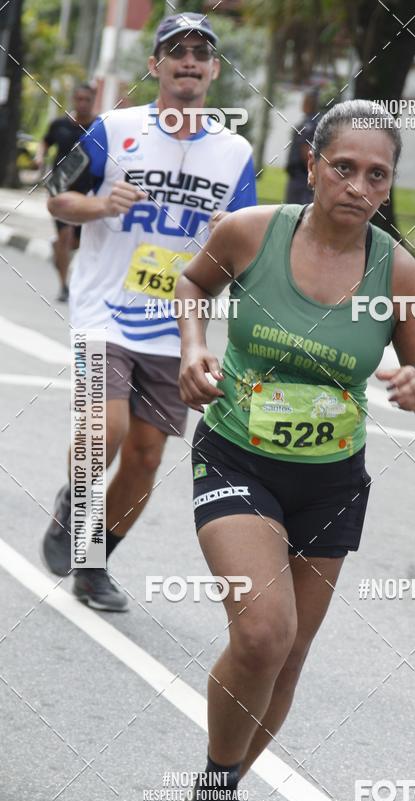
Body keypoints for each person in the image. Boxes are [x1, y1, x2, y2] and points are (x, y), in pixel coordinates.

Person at [173, 98, 415, 801]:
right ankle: (219, 790)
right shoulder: (252, 233)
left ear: (388, 186)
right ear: (311, 166)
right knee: (262, 632)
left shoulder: (395, 269)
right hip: (237, 456)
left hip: (332, 480)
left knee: (288, 658)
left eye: (377, 175)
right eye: (344, 167)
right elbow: (193, 287)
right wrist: (194, 349)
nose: (359, 186)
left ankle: (215, 792)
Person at [40, 12, 257, 611]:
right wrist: (99, 202)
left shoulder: (234, 151)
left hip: (178, 325)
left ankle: (95, 562)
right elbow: (57, 192)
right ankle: (74, 504)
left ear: (213, 70)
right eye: (177, 51)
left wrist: (228, 232)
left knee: (146, 454)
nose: (189, 61)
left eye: (201, 53)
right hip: (104, 310)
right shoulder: (114, 128)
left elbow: (248, 243)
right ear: (155, 65)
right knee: (105, 428)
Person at [35, 83, 97, 303]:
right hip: (59, 187)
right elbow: (45, 141)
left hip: (87, 190)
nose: (82, 103)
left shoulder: (99, 128)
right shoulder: (60, 124)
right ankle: (64, 286)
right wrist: (39, 156)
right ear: (73, 99)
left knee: (77, 242)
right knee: (66, 236)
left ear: (93, 100)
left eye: (86, 100)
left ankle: (58, 248)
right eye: (78, 99)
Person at [284, 89, 320, 203]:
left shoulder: (309, 124)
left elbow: (306, 151)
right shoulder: (313, 121)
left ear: (309, 103)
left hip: (301, 179)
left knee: (294, 213)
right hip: (299, 177)